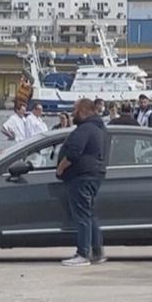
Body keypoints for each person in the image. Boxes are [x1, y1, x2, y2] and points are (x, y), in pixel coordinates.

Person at [56, 98, 107, 267]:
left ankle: (83, 253)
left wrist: (61, 168)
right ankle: (97, 251)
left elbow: (74, 152)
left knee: (82, 216)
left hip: (81, 176)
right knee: (89, 214)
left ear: (84, 111)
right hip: (93, 175)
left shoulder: (85, 129)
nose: (72, 114)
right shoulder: (98, 129)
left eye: (74, 110)